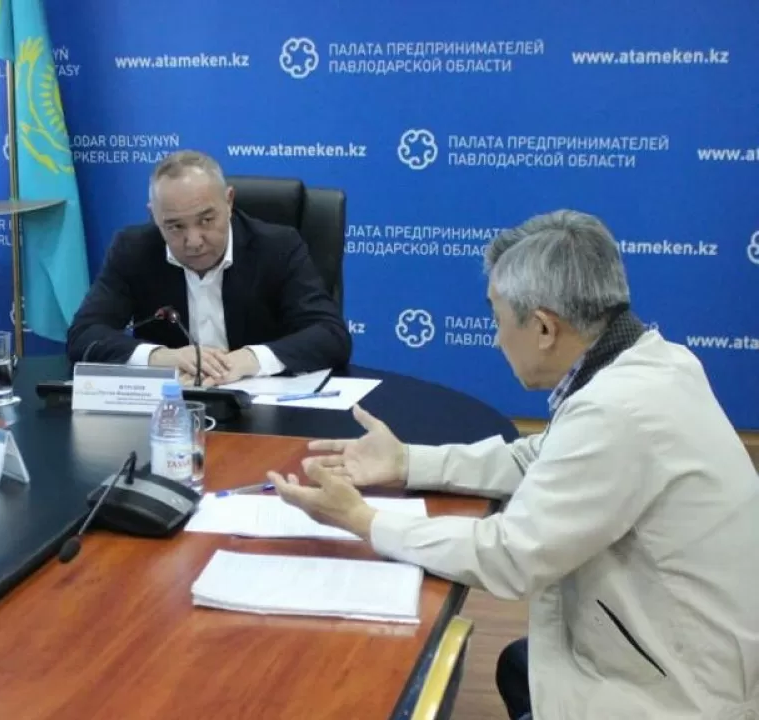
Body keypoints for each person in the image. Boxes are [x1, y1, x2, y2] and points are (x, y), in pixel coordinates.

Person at [267, 210, 758, 719]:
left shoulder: (618, 410)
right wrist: (407, 461)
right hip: (677, 650)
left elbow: (509, 557)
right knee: (519, 666)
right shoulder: (649, 362)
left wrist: (364, 520)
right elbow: (537, 458)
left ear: (544, 327)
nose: (497, 338)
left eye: (498, 320)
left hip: (681, 696)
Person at [66, 150, 350, 386]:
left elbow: (330, 335)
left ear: (229, 201)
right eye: (175, 226)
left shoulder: (277, 247)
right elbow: (84, 334)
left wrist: (248, 359)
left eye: (206, 220)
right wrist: (162, 357)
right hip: (170, 412)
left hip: (264, 412)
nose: (193, 241)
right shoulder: (133, 250)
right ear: (154, 215)